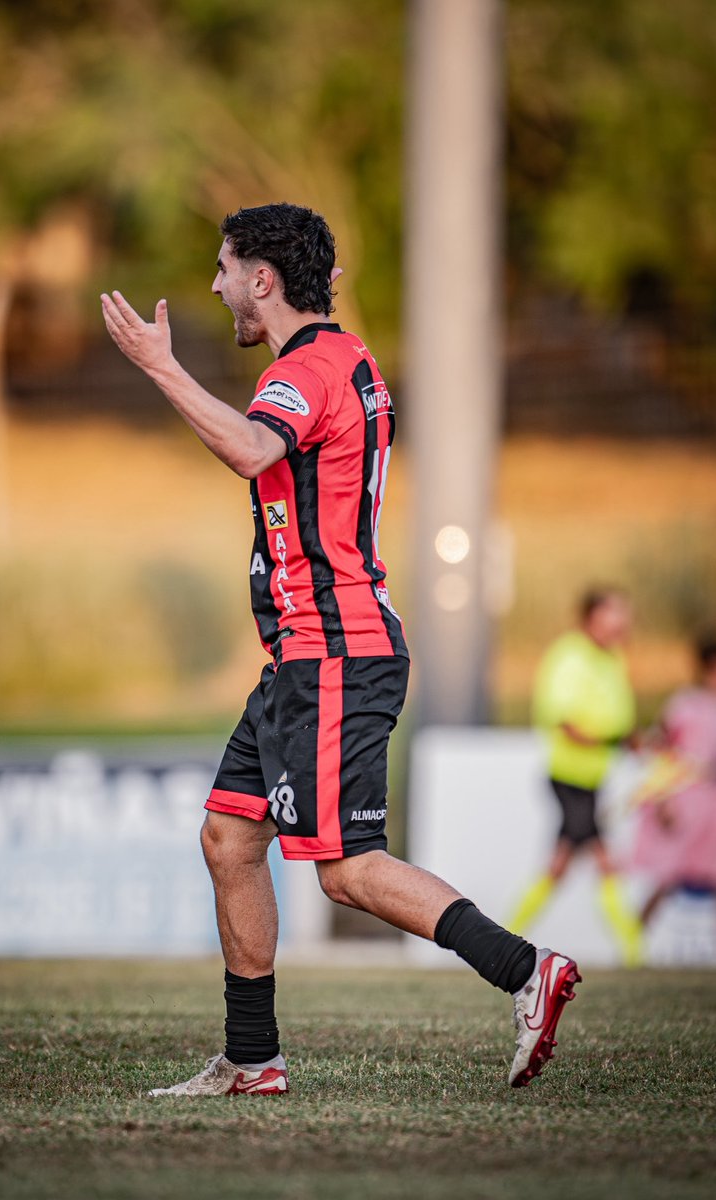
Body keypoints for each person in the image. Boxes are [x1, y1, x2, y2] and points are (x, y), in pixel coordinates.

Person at [100, 202, 579, 1097]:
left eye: (223, 267)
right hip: (302, 656)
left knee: (347, 869)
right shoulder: (338, 357)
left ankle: (525, 971)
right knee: (228, 837)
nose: (214, 285)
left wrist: (160, 368)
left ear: (263, 280)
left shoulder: (308, 370)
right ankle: (251, 1060)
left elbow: (250, 449)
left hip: (332, 653)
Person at [508, 587, 644, 965]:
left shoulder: (613, 658)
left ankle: (503, 936)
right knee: (603, 860)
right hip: (570, 777)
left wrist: (631, 739)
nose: (620, 623)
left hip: (591, 779)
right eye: (612, 615)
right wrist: (614, 739)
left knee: (559, 866)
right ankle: (635, 951)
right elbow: (567, 723)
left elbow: (618, 717)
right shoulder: (569, 656)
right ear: (590, 618)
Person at [631, 635, 716, 949]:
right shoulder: (685, 705)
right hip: (686, 807)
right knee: (667, 879)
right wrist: (662, 800)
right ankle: (632, 941)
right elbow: (663, 751)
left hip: (712, 814)